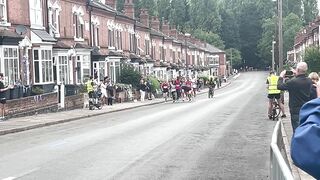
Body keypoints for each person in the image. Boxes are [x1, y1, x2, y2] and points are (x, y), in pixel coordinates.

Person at [291, 92, 320, 179]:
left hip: (302, 111)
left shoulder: (292, 82)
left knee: (297, 129)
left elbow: (303, 148)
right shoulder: (308, 82)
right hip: (306, 110)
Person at [277, 62, 313, 132]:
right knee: (305, 129)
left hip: (296, 109)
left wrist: (281, 76)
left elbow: (279, 86)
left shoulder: (293, 82)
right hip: (307, 108)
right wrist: (296, 75)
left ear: (298, 70)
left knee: (297, 130)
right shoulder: (309, 80)